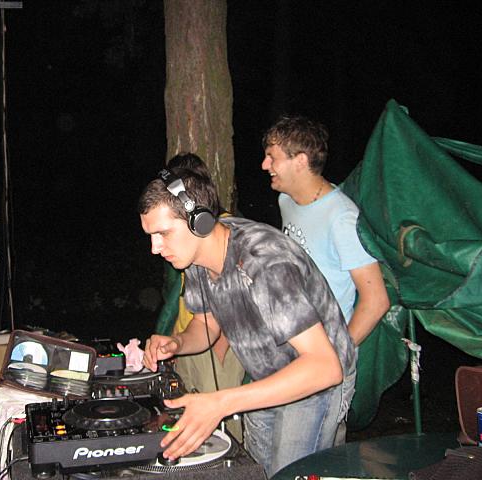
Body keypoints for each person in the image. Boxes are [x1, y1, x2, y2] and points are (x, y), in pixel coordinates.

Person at [138, 167, 356, 477]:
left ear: (199, 221)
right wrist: (177, 343)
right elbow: (206, 325)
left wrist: (221, 402)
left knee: (288, 473)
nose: (154, 248)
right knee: (255, 470)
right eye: (151, 236)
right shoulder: (196, 258)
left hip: (314, 380)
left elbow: (325, 367)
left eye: (163, 233)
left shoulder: (264, 261)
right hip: (266, 374)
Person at [261, 115, 390, 445]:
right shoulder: (286, 201)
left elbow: (376, 300)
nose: (264, 165)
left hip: (324, 359)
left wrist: (334, 352)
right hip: (289, 349)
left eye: (272, 157)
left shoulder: (342, 218)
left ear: (300, 161)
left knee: (315, 457)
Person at [153, 153, 246, 442]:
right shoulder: (188, 244)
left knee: (222, 435)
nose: (156, 247)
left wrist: (218, 351)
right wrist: (177, 342)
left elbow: (231, 311)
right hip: (194, 339)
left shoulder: (228, 236)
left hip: (214, 352)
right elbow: (193, 306)